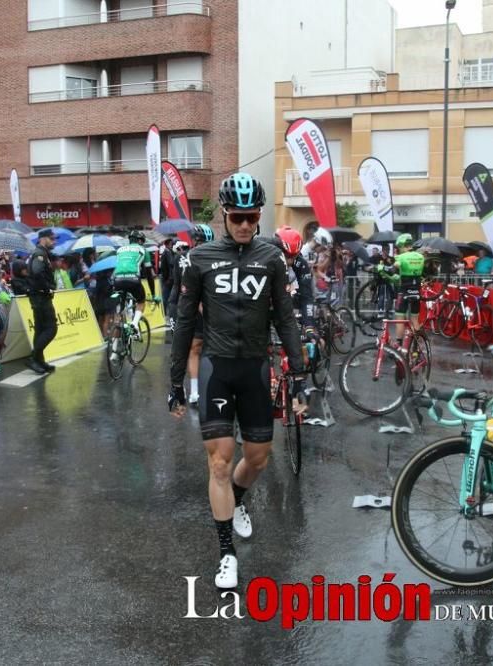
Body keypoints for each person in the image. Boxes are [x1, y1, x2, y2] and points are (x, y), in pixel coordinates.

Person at [168, 173, 306, 590]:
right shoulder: (200, 258)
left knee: (259, 458)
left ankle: (239, 502)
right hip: (217, 368)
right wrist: (176, 381)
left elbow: (285, 318)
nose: (244, 225)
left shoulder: (272, 258)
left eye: (251, 218)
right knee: (220, 462)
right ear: (225, 215)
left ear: (259, 216)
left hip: (255, 367)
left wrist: (298, 376)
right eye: (237, 218)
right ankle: (226, 554)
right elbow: (185, 321)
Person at [182, 223, 215, 404]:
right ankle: (194, 391)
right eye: (197, 241)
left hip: (213, 310)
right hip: (196, 311)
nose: (198, 245)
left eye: (203, 242)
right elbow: (185, 290)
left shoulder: (215, 258)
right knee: (195, 349)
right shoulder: (187, 259)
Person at [111, 230, 157, 354]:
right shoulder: (143, 250)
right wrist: (153, 294)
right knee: (141, 301)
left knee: (119, 313)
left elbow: (120, 266)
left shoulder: (120, 250)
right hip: (133, 280)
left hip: (117, 280)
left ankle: (114, 350)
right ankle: (135, 324)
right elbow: (149, 274)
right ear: (140, 241)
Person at [382, 233, 426, 344]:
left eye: (398, 247)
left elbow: (392, 269)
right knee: (415, 319)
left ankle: (399, 344)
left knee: (400, 319)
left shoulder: (400, 257)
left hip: (404, 291)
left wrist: (382, 268)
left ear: (401, 245)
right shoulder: (420, 257)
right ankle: (416, 347)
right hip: (416, 291)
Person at [27, 229, 58, 374]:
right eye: (51, 239)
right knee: (51, 329)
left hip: (39, 296)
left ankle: (39, 360)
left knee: (40, 330)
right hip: (41, 297)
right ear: (42, 239)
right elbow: (37, 271)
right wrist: (47, 289)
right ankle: (33, 358)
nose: (54, 241)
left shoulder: (42, 253)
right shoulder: (40, 254)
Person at [159, 238, 176, 320]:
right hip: (168, 279)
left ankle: (167, 314)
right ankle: (165, 314)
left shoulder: (169, 252)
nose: (172, 245)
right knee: (166, 297)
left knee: (167, 296)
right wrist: (167, 278)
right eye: (170, 243)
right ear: (167, 244)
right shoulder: (167, 252)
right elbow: (170, 264)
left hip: (168, 278)